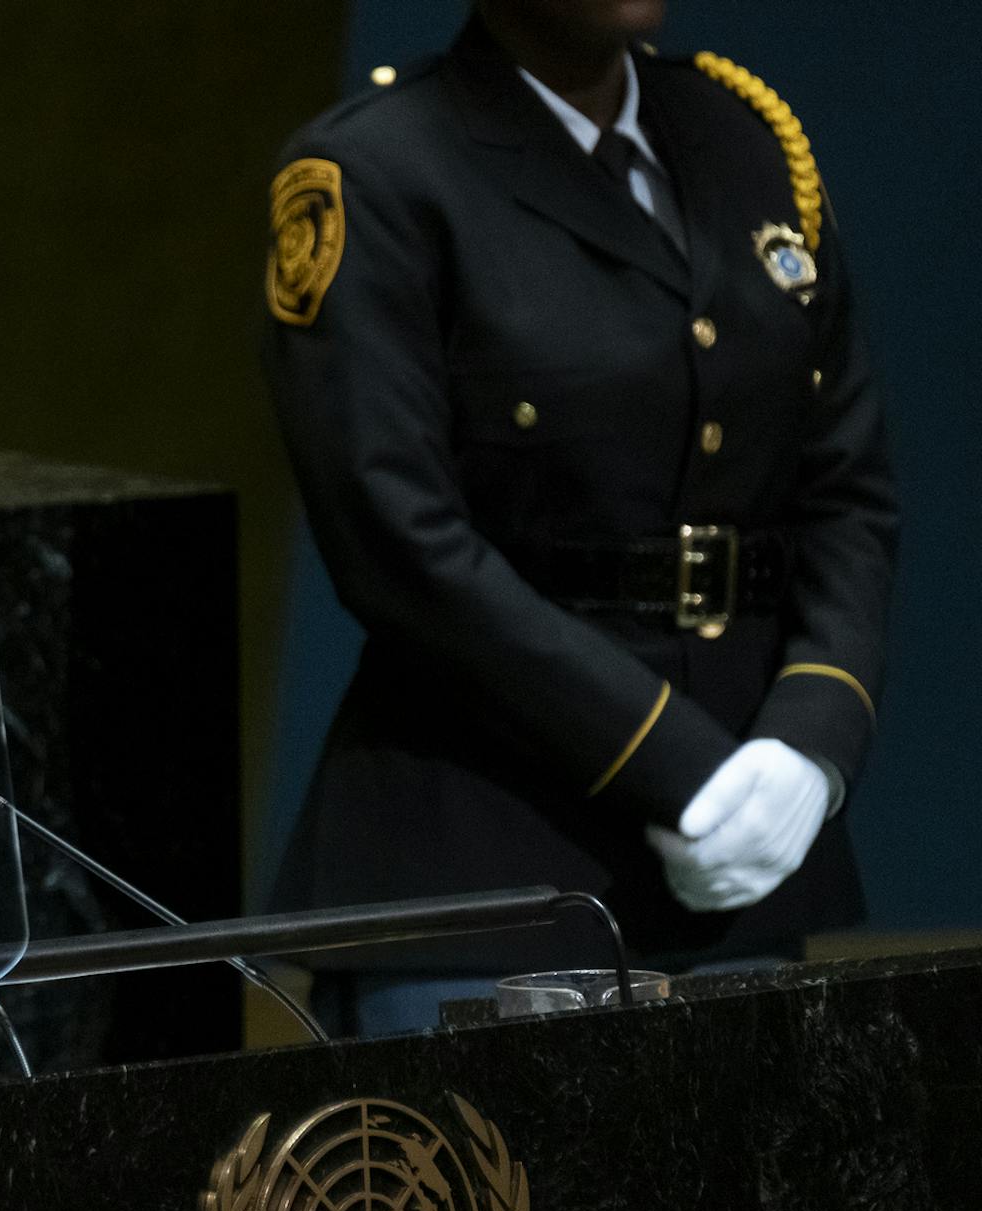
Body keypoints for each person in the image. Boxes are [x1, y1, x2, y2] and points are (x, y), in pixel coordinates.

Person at [259, 1, 897, 1033]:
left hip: (740, 862)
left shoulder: (747, 142)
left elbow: (847, 492)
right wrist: (680, 768)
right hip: (487, 869)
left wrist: (811, 745)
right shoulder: (380, 169)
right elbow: (399, 545)